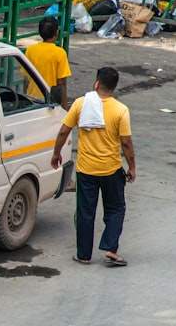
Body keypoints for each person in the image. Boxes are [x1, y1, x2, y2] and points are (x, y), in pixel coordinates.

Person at [51, 67, 136, 266]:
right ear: (114, 87)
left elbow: (64, 131)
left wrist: (56, 153)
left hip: (86, 170)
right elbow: (126, 143)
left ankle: (83, 255)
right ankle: (110, 248)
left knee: (85, 212)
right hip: (111, 170)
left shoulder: (82, 104)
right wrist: (132, 167)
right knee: (115, 209)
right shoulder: (121, 110)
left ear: (96, 83)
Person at [25, 17, 71, 109]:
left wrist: (26, 97)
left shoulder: (30, 50)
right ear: (56, 33)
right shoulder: (60, 53)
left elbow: (26, 78)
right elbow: (62, 83)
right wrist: (65, 106)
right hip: (50, 102)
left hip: (32, 98)